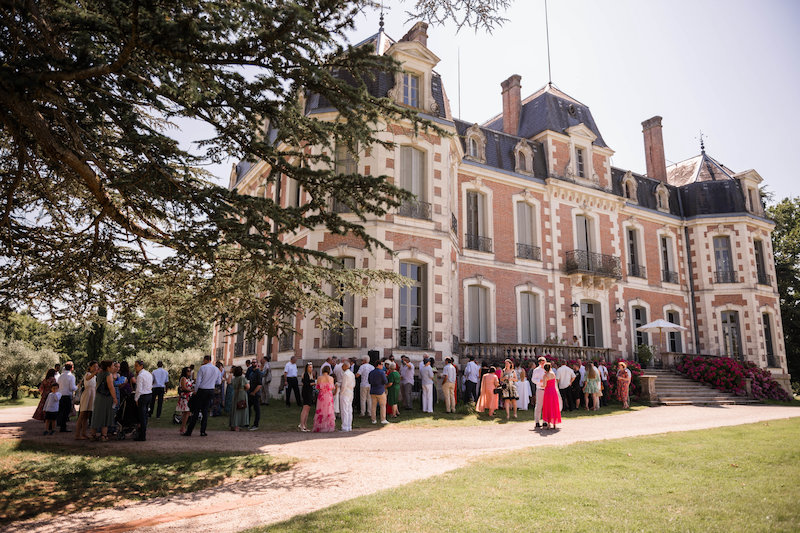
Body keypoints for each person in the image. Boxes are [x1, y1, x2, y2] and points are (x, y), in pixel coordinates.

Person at [184, 355, 221, 437]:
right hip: (211, 390)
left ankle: (189, 431)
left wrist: (196, 391)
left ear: (205, 360)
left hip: (202, 390)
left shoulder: (203, 368)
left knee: (196, 410)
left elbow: (198, 381)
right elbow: (219, 381)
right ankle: (203, 431)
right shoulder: (216, 369)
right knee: (205, 411)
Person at [90, 360, 118, 441]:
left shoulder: (99, 373)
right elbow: (111, 387)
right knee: (105, 415)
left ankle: (93, 435)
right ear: (108, 367)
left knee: (96, 415)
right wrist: (115, 398)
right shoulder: (108, 374)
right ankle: (104, 435)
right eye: (112, 366)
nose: (113, 367)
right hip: (106, 397)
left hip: (98, 396)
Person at [75, 361, 98, 440]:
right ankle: (77, 434)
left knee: (87, 416)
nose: (96, 368)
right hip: (87, 395)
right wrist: (94, 373)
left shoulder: (94, 377)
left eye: (97, 366)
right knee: (82, 414)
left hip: (92, 395)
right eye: (94, 366)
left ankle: (84, 433)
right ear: (90, 367)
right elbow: (88, 378)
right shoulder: (88, 374)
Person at [133, 360, 153, 441]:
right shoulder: (148, 373)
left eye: (136, 366)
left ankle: (142, 436)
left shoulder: (140, 376)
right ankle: (142, 434)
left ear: (141, 366)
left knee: (142, 417)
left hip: (143, 396)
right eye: (135, 366)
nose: (135, 368)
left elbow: (139, 389)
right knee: (145, 416)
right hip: (149, 395)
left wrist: (136, 398)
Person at [313, 366, 336, 432]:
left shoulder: (320, 378)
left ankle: (320, 426)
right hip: (329, 396)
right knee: (329, 410)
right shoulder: (331, 378)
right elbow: (332, 387)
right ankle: (329, 426)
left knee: (321, 410)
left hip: (322, 396)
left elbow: (317, 387)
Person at [539, 363, 562, 430]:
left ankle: (548, 423)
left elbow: (544, 385)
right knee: (554, 406)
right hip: (553, 391)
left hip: (548, 392)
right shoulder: (553, 374)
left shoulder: (545, 375)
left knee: (548, 406)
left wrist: (540, 385)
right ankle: (554, 423)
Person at [56, 362, 77, 432]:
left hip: (60, 395)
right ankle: (63, 427)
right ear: (71, 368)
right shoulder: (71, 376)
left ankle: (60, 424)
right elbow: (72, 387)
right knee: (66, 412)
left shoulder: (61, 376)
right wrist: (77, 387)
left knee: (61, 411)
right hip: (67, 395)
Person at [229, 366, 250, 431]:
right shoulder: (242, 378)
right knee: (241, 408)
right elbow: (248, 387)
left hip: (235, 393)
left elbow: (230, 383)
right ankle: (238, 425)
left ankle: (233, 425)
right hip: (242, 393)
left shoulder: (234, 379)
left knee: (235, 408)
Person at [368, 360, 389, 424]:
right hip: (380, 390)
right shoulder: (381, 372)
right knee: (382, 406)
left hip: (373, 390)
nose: (382, 366)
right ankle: (383, 419)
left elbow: (369, 381)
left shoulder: (371, 372)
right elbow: (385, 381)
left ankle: (373, 419)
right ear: (378, 365)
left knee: (373, 406)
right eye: (382, 365)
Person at [338, 360, 356, 431]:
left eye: (342, 366)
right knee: (349, 409)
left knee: (344, 410)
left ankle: (345, 426)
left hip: (345, 393)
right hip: (351, 392)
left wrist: (341, 393)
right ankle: (349, 425)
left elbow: (344, 385)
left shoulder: (345, 374)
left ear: (345, 366)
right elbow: (354, 384)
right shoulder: (352, 373)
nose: (342, 367)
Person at [530, 357, 547, 428]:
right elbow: (533, 379)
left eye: (544, 362)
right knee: (539, 405)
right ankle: (537, 421)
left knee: (546, 406)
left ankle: (545, 421)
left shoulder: (548, 369)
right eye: (542, 363)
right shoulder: (536, 370)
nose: (543, 364)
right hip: (540, 389)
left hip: (547, 389)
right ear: (539, 363)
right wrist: (540, 381)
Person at [176, 366, 193, 434]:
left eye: (190, 371)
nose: (189, 372)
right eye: (188, 371)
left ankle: (183, 427)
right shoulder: (183, 379)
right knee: (186, 412)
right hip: (185, 397)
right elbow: (184, 388)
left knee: (187, 412)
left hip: (188, 396)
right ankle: (183, 427)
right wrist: (192, 390)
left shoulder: (188, 379)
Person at [299, 362, 315, 432]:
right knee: (305, 408)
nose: (311, 368)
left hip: (309, 392)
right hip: (306, 392)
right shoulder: (305, 374)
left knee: (307, 409)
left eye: (311, 367)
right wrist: (315, 383)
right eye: (309, 367)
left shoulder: (310, 374)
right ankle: (302, 425)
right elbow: (306, 384)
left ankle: (304, 425)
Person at [247, 360, 262, 431]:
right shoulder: (252, 372)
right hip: (250, 393)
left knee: (257, 409)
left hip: (255, 394)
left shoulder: (258, 373)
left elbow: (259, 384)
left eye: (255, 362)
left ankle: (256, 424)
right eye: (252, 362)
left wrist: (254, 392)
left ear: (257, 363)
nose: (253, 363)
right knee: (248, 409)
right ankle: (247, 423)